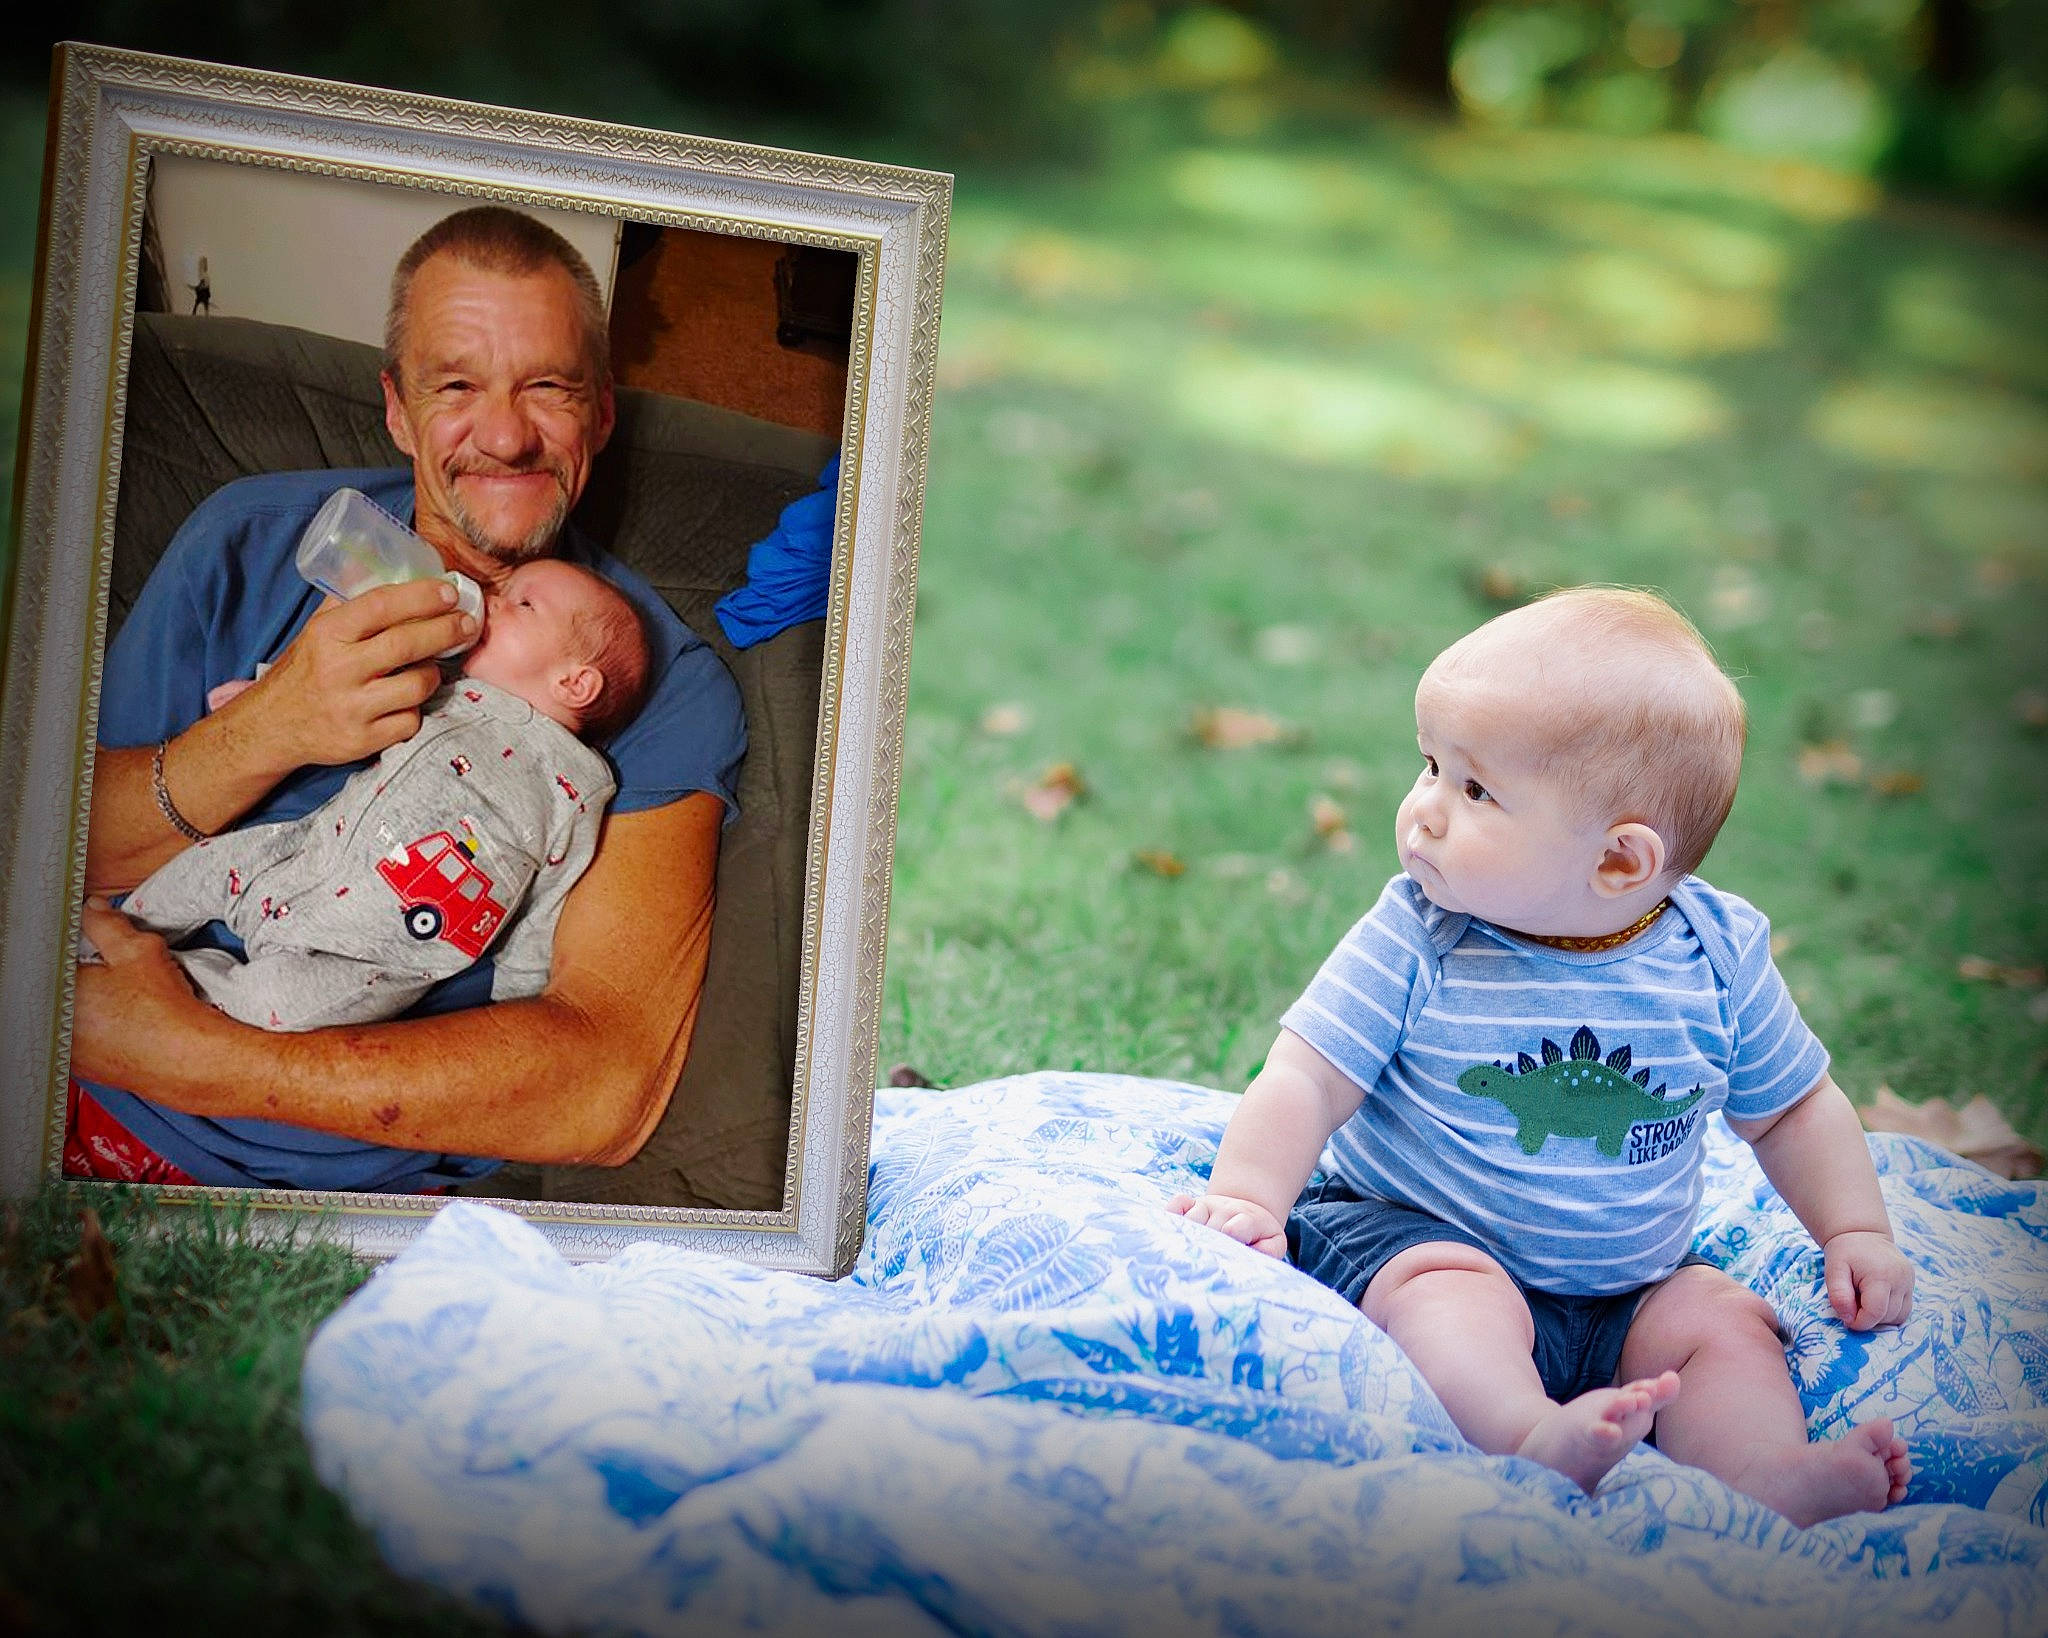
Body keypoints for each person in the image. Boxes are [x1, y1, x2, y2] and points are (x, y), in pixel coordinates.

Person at [1172, 587, 1915, 1528]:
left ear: (1619, 864)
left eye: (1475, 790)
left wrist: (1855, 1230)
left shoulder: (1718, 956)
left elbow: (1796, 1107)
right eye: (1430, 765)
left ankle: (1766, 1474)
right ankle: (1529, 1437)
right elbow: (1307, 1073)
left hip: (1628, 1290)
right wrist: (1250, 1195)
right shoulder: (1421, 933)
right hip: (1419, 1235)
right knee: (1451, 1296)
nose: (1423, 812)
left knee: (1723, 1322)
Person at [66, 205, 746, 1193]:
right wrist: (271, 727)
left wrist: (194, 1055)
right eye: (457, 385)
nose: (506, 435)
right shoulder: (247, 542)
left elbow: (604, 1088)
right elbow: (51, 859)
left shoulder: (661, 691)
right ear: (396, 409)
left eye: (547, 388)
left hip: (353, 1197)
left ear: (600, 412)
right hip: (93, 1108)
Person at [111, 558, 649, 1033]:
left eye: (522, 604)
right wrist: (265, 693)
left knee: (273, 1006)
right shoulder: (443, 689)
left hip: (366, 957)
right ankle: (114, 933)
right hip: (306, 852)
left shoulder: (573, 787)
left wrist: (519, 998)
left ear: (575, 684)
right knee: (208, 864)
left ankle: (165, 978)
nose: (490, 601)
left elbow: (550, 896)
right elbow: (347, 707)